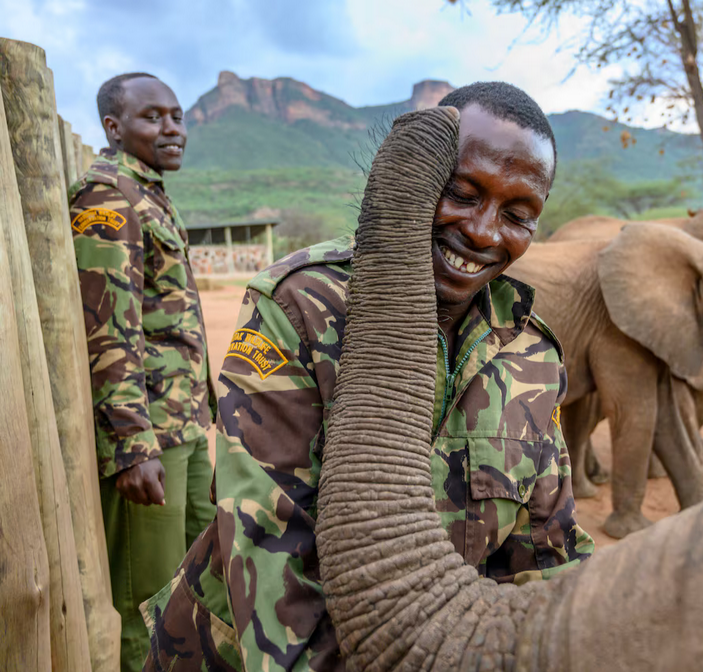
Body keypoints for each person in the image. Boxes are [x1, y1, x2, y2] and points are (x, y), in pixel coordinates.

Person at [141, 81, 595, 672]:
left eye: (517, 215)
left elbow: (546, 548)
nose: (483, 232)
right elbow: (270, 551)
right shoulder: (303, 306)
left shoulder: (533, 352)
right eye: (461, 193)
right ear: (425, 177)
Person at [69, 73, 216, 672]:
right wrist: (131, 447)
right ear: (114, 126)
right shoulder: (107, 198)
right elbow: (106, 329)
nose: (173, 128)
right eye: (153, 117)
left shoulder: (148, 193)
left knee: (199, 579)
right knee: (146, 604)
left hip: (181, 427)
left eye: (177, 116)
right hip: (148, 437)